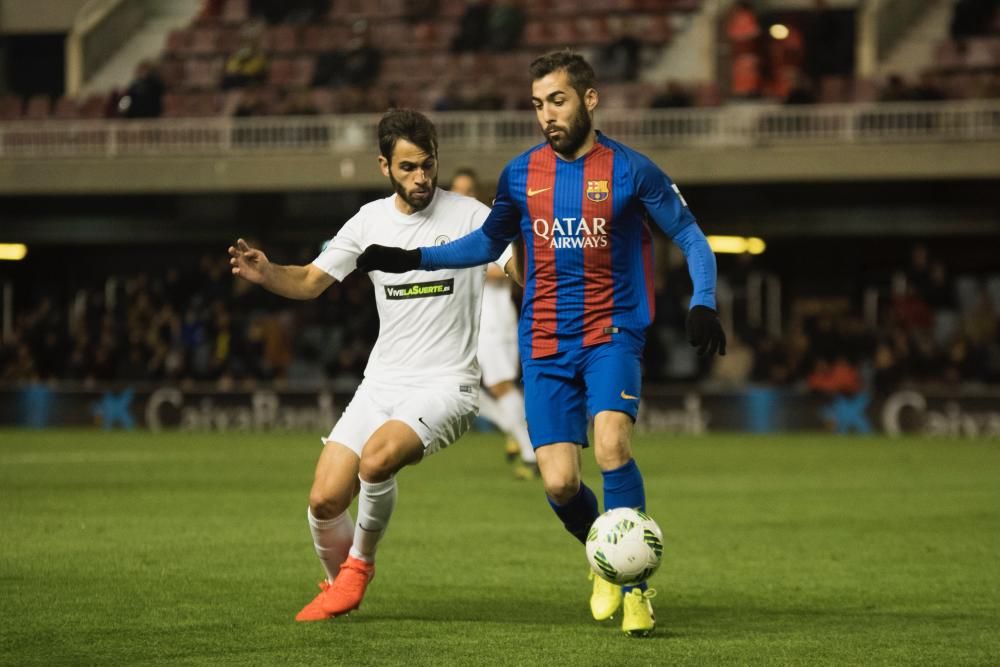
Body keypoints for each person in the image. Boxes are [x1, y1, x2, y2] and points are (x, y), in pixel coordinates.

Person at [356, 50, 727, 638]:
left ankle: (636, 587)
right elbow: (484, 244)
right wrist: (411, 257)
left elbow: (689, 234)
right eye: (537, 105)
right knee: (557, 482)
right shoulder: (520, 174)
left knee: (610, 445)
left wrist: (703, 299)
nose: (546, 115)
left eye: (556, 100)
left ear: (589, 98)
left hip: (611, 333)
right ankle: (605, 554)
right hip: (546, 339)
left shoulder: (631, 170)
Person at [228, 109, 515, 622]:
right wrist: (270, 273)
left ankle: (358, 569)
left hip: (447, 385)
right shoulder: (368, 221)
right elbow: (311, 281)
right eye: (408, 168)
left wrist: (537, 277)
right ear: (385, 166)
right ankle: (340, 583)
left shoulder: (473, 215)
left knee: (376, 460)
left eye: (428, 165)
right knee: (323, 500)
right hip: (381, 383)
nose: (422, 177)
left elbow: (518, 265)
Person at [449, 167, 538, 480]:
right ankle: (517, 433)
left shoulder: (491, 223)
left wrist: (460, 265)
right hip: (468, 320)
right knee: (462, 384)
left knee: (500, 385)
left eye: (467, 190)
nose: (462, 196)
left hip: (495, 318)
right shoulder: (452, 228)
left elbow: (513, 269)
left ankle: (531, 450)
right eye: (456, 190)